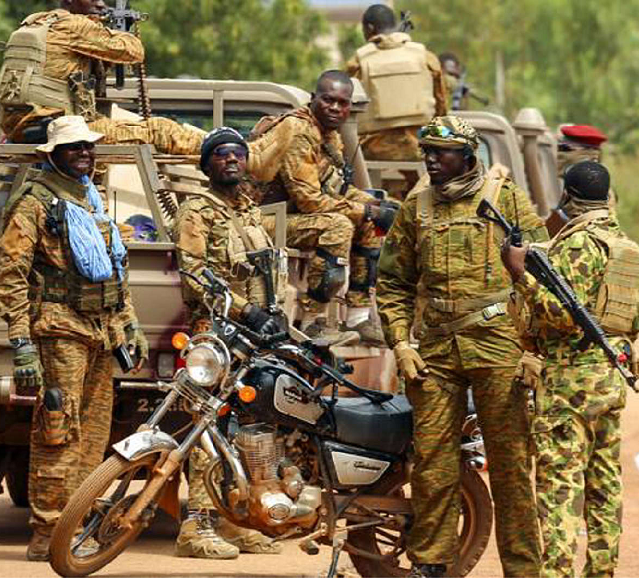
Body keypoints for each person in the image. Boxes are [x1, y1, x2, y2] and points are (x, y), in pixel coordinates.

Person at [375, 115, 543, 578]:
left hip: (498, 347)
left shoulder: (504, 199)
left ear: (468, 156)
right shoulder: (417, 206)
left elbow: (542, 274)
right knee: (432, 464)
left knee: (510, 466)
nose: (430, 159)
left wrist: (533, 347)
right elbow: (392, 282)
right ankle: (432, 563)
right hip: (435, 352)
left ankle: (524, 569)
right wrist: (401, 343)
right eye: (425, 151)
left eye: (440, 152)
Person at [0, 116, 148, 562]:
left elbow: (115, 270)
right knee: (58, 430)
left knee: (95, 434)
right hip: (59, 330)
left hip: (101, 329)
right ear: (53, 153)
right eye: (74, 147)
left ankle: (76, 521)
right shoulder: (34, 204)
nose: (84, 152)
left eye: (88, 146)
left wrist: (129, 321)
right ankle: (47, 528)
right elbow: (11, 279)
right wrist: (21, 344)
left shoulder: (91, 198)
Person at [501, 161, 639, 578]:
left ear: (567, 195)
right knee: (604, 486)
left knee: (560, 488)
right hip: (608, 377)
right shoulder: (622, 243)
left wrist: (519, 273)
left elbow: (558, 315)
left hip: (571, 384)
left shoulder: (579, 244)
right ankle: (601, 570)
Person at [171, 127, 285, 559]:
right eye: (221, 155)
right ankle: (196, 528)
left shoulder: (251, 212)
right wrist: (244, 310)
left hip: (255, 339)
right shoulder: (196, 212)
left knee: (247, 433)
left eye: (238, 153)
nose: (232, 160)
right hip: (216, 337)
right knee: (207, 433)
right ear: (207, 165)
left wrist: (271, 316)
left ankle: (236, 520)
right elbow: (195, 274)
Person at [247, 70, 396, 345]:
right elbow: (310, 200)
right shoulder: (299, 131)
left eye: (342, 103)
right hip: (259, 221)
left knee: (373, 219)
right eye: (329, 100)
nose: (336, 108)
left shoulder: (327, 134)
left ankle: (359, 317)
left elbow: (335, 189)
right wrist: (366, 210)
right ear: (314, 99)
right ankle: (313, 321)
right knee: (339, 226)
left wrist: (376, 206)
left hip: (286, 217)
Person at [0, 0, 202, 154]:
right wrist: (116, 31)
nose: (101, 4)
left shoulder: (36, 22)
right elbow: (133, 51)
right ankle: (218, 145)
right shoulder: (75, 25)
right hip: (59, 128)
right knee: (159, 130)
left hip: (20, 126)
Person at [345, 4, 449, 198]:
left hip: (372, 150)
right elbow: (442, 106)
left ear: (369, 28)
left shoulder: (357, 62)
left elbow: (345, 110)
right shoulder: (425, 57)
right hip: (421, 147)